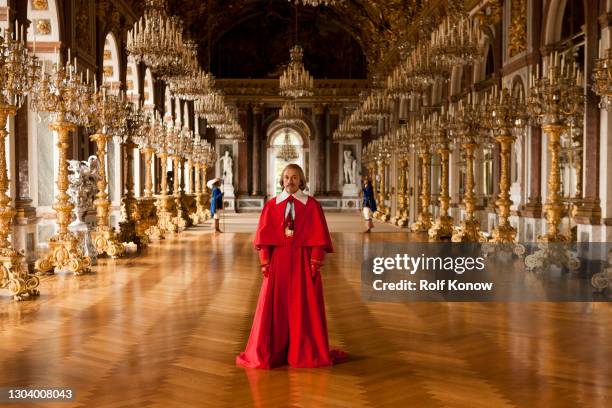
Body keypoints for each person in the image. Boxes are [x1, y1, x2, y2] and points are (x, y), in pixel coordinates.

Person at [236, 164, 346, 369]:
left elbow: (319, 237)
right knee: (275, 307)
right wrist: (265, 260)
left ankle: (302, 351)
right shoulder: (271, 205)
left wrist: (315, 262)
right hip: (278, 263)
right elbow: (263, 237)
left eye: (294, 177)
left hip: (303, 263)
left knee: (302, 307)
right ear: (282, 180)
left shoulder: (312, 205)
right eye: (286, 177)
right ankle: (274, 351)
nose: (290, 181)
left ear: (301, 180)